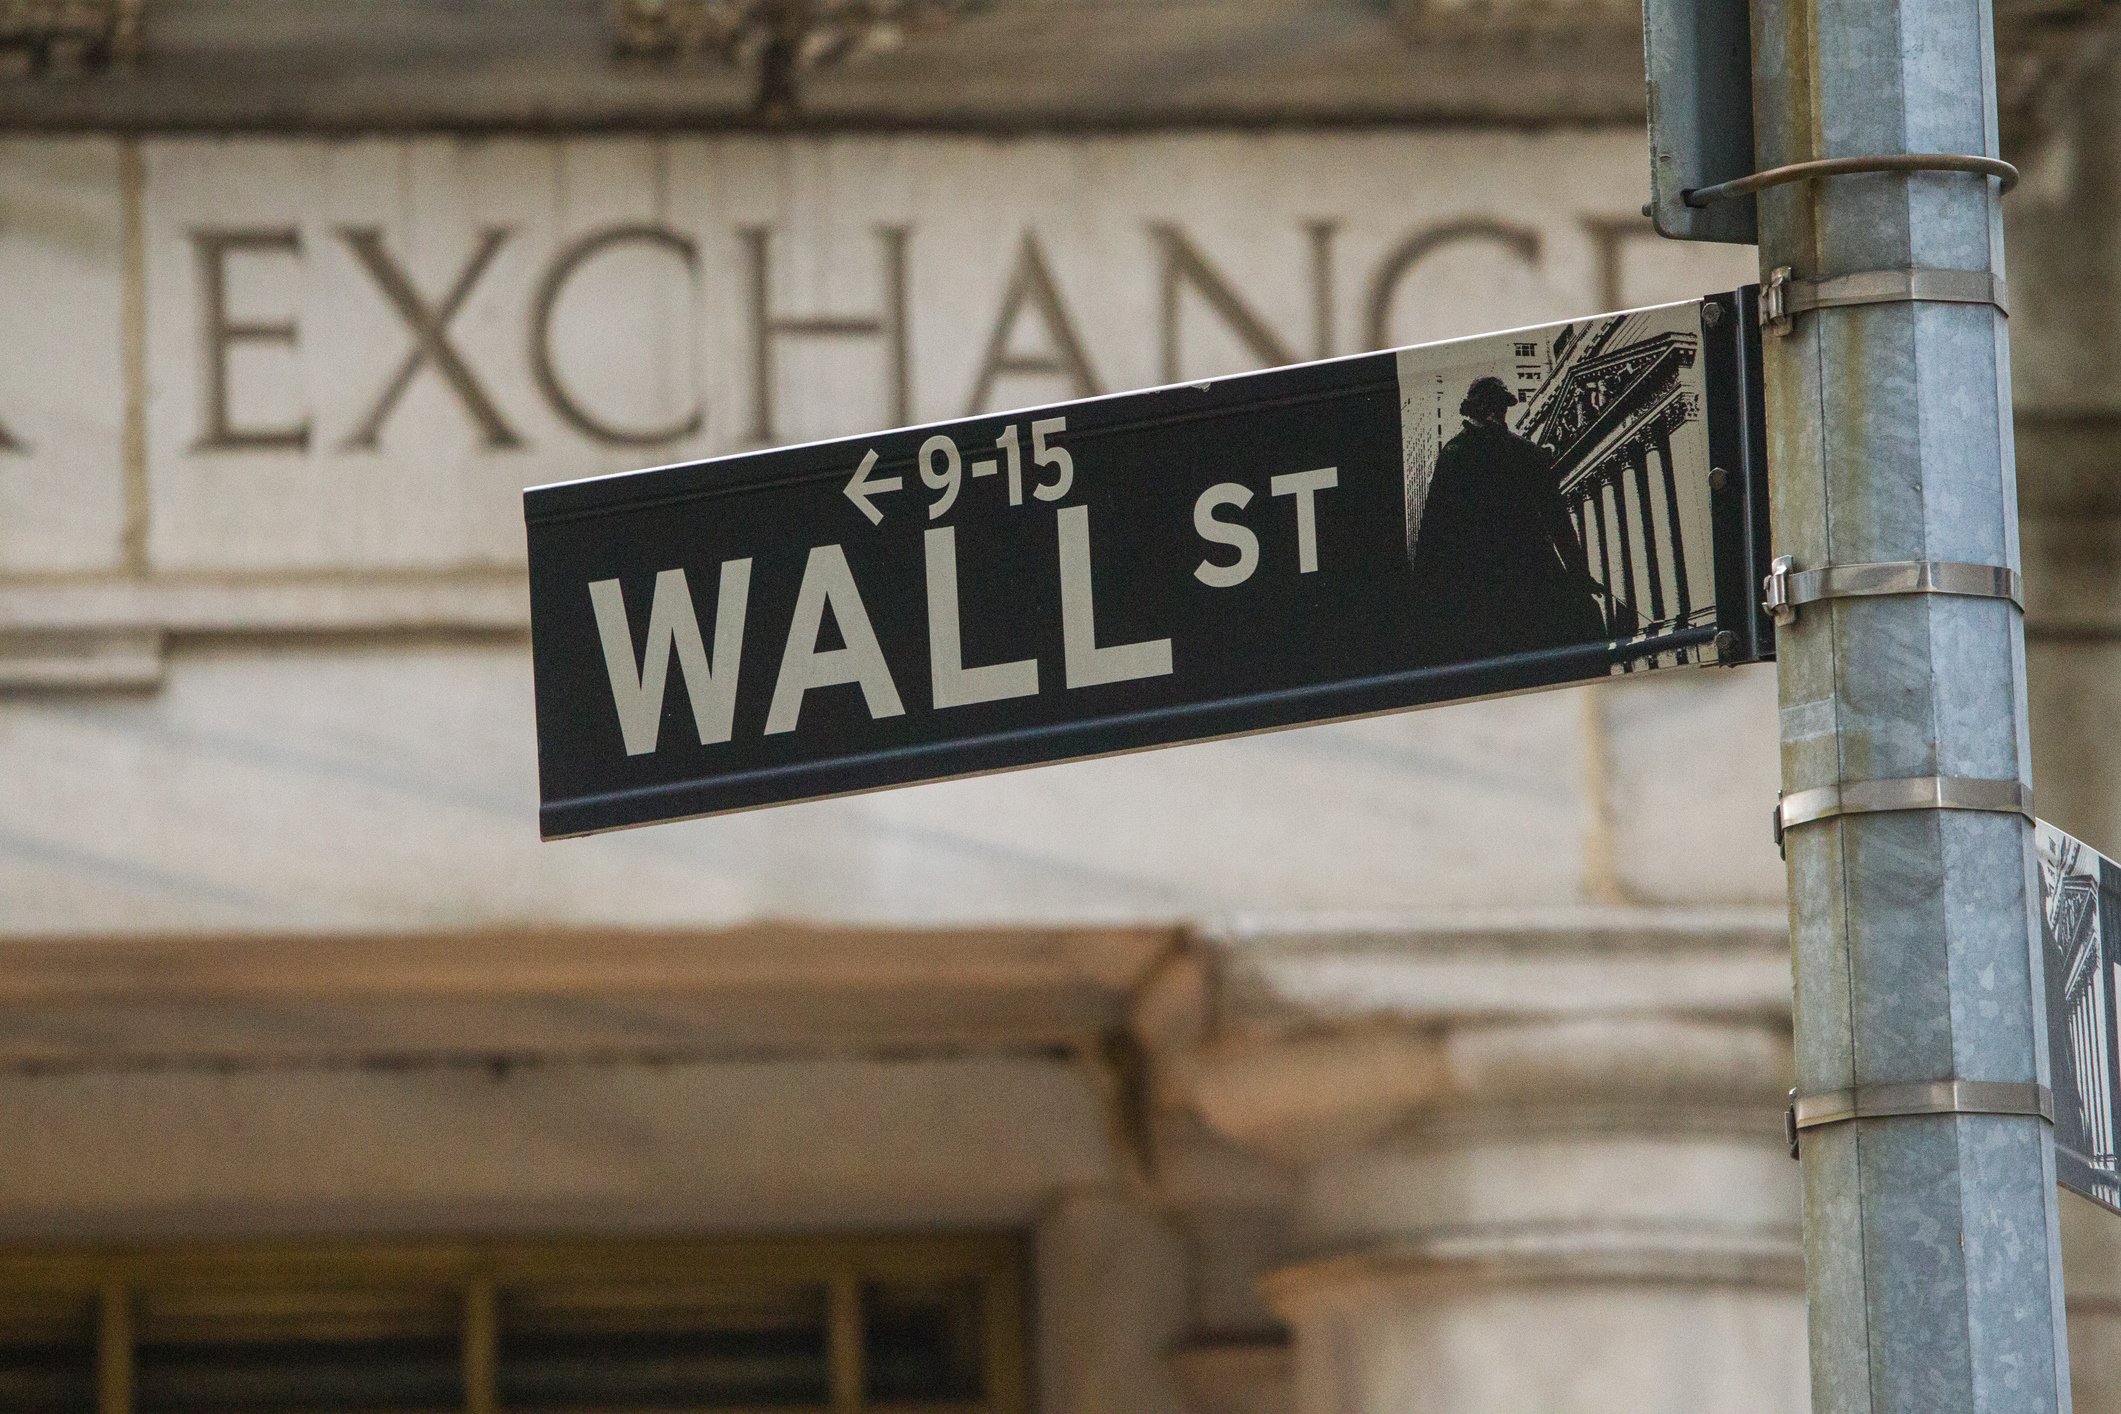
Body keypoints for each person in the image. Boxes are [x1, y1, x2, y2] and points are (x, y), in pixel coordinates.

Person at [1406, 375, 1612, 665]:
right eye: (1490, 406)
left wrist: (1579, 573)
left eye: (1501, 406)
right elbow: (1435, 532)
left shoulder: (1521, 453)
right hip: (1489, 582)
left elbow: (1558, 519)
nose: (1497, 413)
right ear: (1475, 409)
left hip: (1524, 576)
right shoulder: (1455, 457)